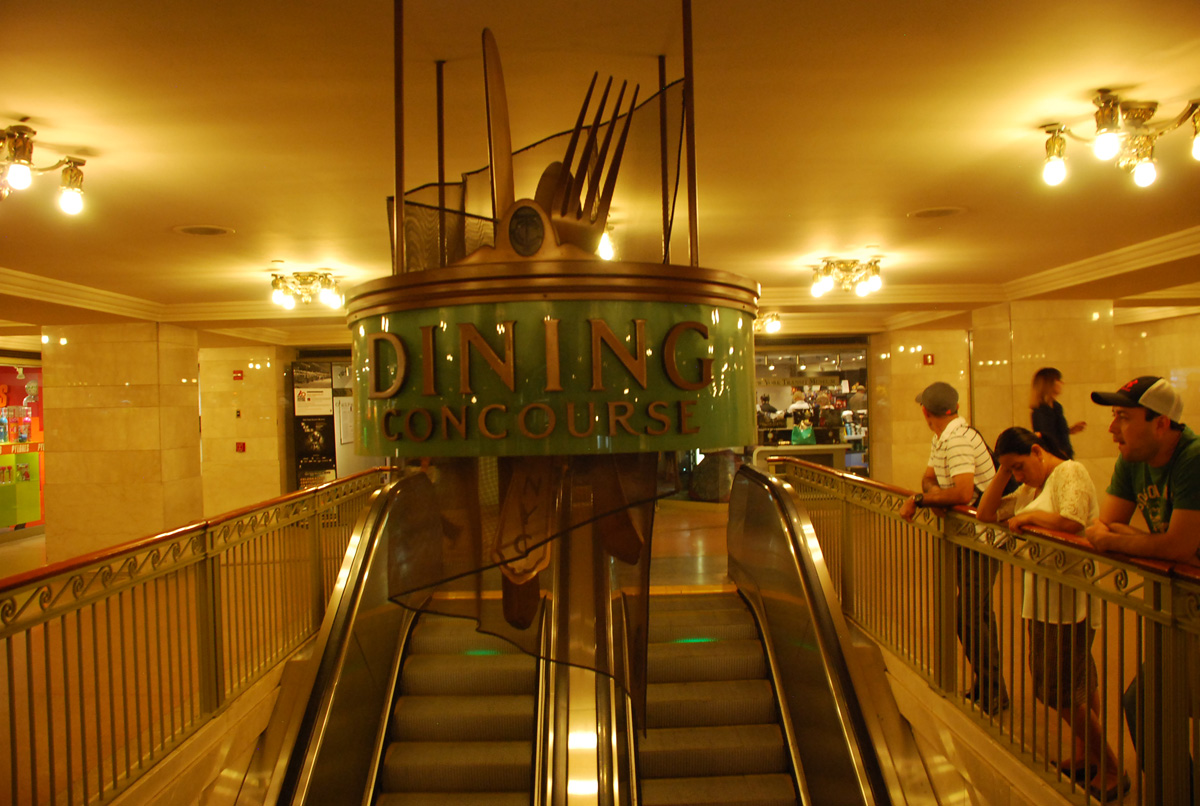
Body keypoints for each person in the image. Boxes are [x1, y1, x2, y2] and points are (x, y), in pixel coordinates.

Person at [977, 428, 1126, 800]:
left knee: (1058, 690)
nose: (1019, 476)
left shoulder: (1068, 473)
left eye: (1021, 466)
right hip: (1044, 598)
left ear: (1038, 451)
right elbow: (986, 512)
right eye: (1014, 470)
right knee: (1076, 680)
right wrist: (1003, 471)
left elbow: (1073, 521)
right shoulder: (1031, 488)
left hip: (1067, 599)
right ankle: (1085, 753)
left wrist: (1028, 521)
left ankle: (1110, 766)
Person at [1084, 376, 1200, 790]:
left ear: (1162, 423)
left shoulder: (1193, 458)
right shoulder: (1132, 458)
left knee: (1153, 702)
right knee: (1147, 703)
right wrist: (1142, 540)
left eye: (1123, 417)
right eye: (1114, 416)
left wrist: (1133, 538)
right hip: (1180, 609)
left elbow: (1181, 544)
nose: (1112, 429)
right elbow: (1102, 525)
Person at [899, 381, 1009, 714]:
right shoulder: (944, 437)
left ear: (924, 411)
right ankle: (988, 685)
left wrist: (922, 500)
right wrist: (932, 495)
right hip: (967, 535)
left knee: (969, 614)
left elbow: (961, 493)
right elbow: (928, 477)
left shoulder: (959, 440)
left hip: (983, 538)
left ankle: (994, 689)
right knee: (976, 613)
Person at [1030, 367, 1086, 459]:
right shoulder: (1040, 411)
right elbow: (1046, 438)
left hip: (1064, 456)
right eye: (1058, 380)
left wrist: (1069, 430)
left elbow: (1055, 432)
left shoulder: (1056, 407)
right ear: (1049, 383)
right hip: (1055, 459)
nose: (1062, 383)